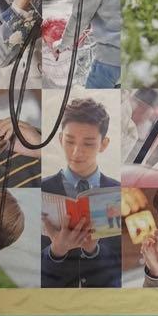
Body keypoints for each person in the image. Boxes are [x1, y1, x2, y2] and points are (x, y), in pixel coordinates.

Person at [41, 98, 121, 288]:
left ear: (104, 144)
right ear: (60, 139)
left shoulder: (118, 193)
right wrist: (55, 252)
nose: (76, 152)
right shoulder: (41, 190)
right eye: (69, 141)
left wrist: (93, 251)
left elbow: (122, 270)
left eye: (89, 144)